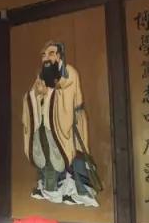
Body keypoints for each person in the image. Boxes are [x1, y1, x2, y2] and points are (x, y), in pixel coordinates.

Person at [21, 41, 102, 207]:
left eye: (51, 54)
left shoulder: (69, 72)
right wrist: (36, 94)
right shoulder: (42, 75)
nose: (46, 58)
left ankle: (80, 193)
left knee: (74, 155)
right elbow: (33, 93)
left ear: (59, 56)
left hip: (71, 121)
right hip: (49, 123)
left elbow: (66, 93)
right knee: (47, 152)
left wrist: (48, 92)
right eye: (44, 55)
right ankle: (51, 188)